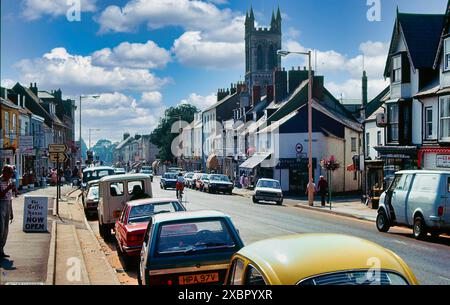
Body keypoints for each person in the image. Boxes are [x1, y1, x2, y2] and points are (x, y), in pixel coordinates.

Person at [0, 165, 15, 258]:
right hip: (1, 205)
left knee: (5, 230)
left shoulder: (9, 181)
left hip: (8, 205)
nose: (11, 175)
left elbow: (10, 197)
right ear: (4, 172)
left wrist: (11, 211)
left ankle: (1, 249)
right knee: (0, 229)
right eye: (10, 173)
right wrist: (8, 188)